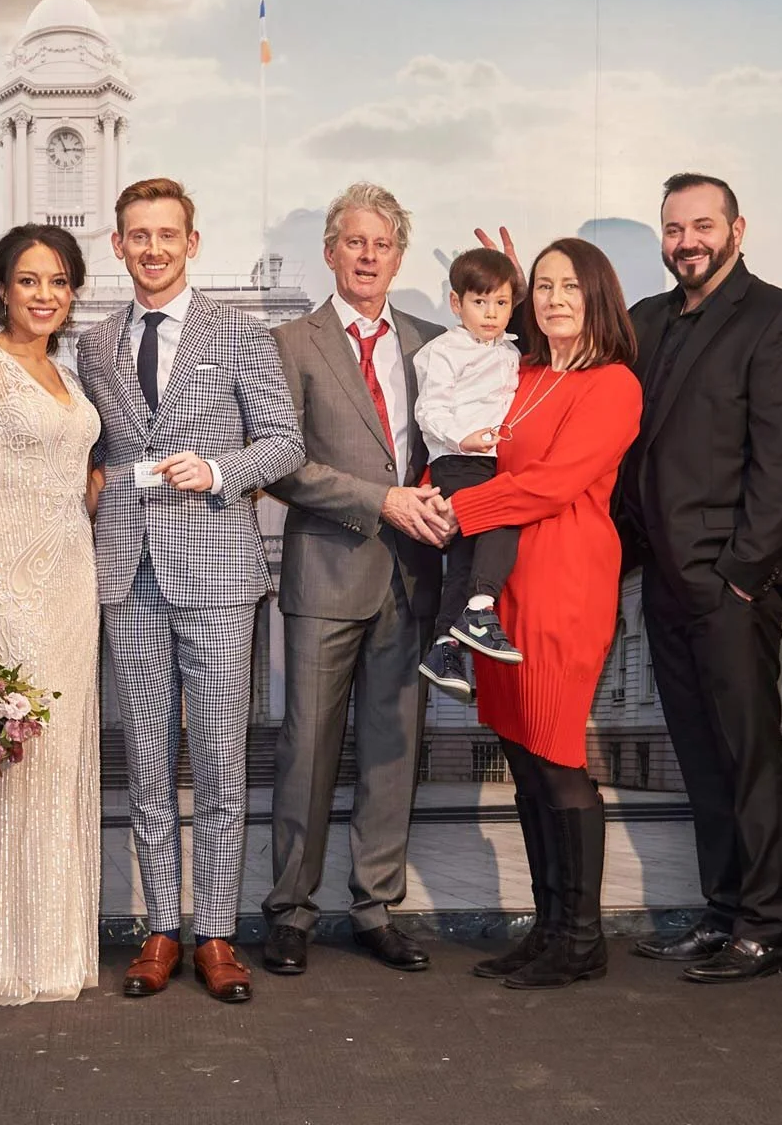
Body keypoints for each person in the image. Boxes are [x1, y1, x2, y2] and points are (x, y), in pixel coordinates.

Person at [77, 178, 305, 1004]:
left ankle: (216, 933)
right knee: (143, 762)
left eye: (167, 234)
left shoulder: (239, 336)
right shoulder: (95, 344)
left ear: (192, 242)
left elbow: (283, 443)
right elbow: (94, 450)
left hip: (215, 572)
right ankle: (159, 930)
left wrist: (220, 471)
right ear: (119, 244)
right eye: (138, 234)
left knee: (218, 761)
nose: (153, 248)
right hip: (127, 575)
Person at [617, 174, 782, 983]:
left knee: (748, 755)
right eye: (673, 229)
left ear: (738, 228)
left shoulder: (777, 320)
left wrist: (743, 575)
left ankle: (769, 926)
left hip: (732, 584)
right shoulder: (649, 320)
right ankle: (724, 911)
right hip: (664, 580)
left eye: (701, 225)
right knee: (702, 757)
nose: (686, 242)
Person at [445, 237, 641, 990]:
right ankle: (550, 925)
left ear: (598, 295)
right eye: (545, 286)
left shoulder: (614, 385)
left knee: (559, 761)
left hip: (566, 580)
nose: (556, 298)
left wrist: (460, 508)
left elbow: (553, 485)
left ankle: (583, 939)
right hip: (505, 587)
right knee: (525, 761)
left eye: (571, 286)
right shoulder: (517, 375)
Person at [261, 183, 447, 977]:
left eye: (383, 244)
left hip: (412, 580)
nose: (369, 256)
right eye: (355, 242)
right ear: (331, 253)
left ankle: (375, 908)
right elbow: (281, 465)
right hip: (326, 572)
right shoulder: (289, 344)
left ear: (399, 257)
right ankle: (291, 911)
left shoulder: (436, 344)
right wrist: (382, 501)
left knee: (391, 753)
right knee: (306, 750)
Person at [0, 224, 103, 1006]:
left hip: (73, 577)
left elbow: (71, 473)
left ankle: (58, 947)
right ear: (1, 287)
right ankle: (8, 949)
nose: (45, 294)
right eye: (29, 280)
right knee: (25, 766)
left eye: (59, 281)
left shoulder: (66, 374)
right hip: (10, 584)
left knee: (63, 757)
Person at [415, 246, 526, 698]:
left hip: (489, 459)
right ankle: (480, 609)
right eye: (480, 302)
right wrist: (465, 438)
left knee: (464, 557)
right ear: (456, 303)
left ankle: (444, 646)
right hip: (459, 461)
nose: (491, 313)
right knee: (503, 517)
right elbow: (429, 410)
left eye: (501, 303)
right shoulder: (443, 351)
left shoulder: (510, 352)